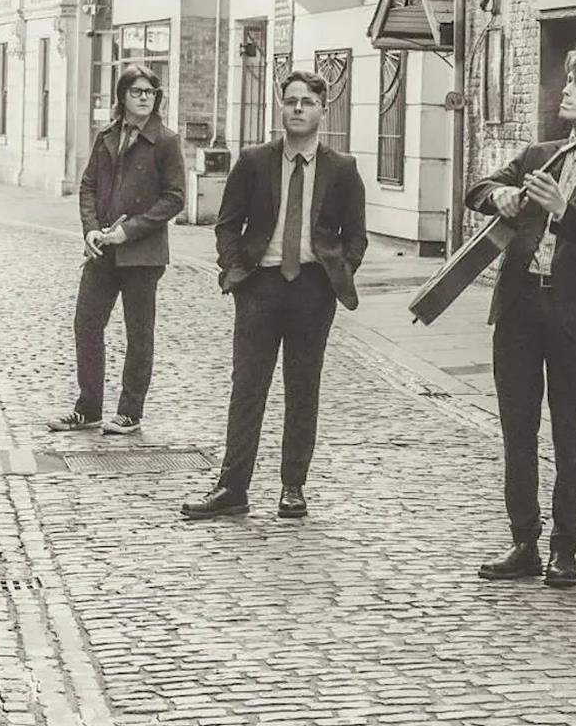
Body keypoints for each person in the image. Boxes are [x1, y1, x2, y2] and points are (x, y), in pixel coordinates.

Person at [464, 46, 576, 589]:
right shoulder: (540, 153)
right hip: (520, 307)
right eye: (567, 82)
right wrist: (500, 195)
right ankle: (523, 542)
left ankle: (565, 551)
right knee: (516, 432)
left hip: (575, 313)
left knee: (570, 433)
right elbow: (476, 189)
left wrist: (564, 211)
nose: (565, 91)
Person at [186, 70, 367, 520]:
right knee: (247, 387)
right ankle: (232, 487)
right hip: (260, 287)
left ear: (323, 109)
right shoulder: (255, 161)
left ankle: (293, 486)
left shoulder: (342, 169)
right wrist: (234, 270)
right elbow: (228, 223)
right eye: (290, 101)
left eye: (307, 101)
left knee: (302, 388)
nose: (298, 109)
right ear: (280, 108)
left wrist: (337, 273)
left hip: (312, 289)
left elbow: (356, 236)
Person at [48, 65, 187, 436]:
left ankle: (130, 411)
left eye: (150, 92)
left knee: (139, 333)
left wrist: (129, 231)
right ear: (122, 96)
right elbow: (88, 187)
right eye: (137, 91)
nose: (144, 98)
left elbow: (175, 199)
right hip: (102, 253)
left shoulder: (167, 141)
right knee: (87, 324)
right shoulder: (106, 136)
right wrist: (92, 231)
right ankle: (88, 408)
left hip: (143, 255)